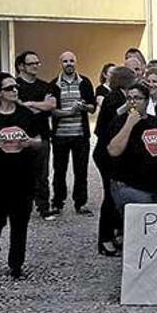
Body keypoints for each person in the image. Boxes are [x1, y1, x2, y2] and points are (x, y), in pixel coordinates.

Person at [0, 72, 42, 280]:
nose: (15, 91)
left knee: (20, 223)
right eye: (9, 88)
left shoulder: (26, 115)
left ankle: (16, 265)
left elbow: (40, 141)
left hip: (23, 176)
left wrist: (30, 142)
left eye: (16, 88)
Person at [107, 83, 157, 214]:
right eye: (129, 98)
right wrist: (129, 124)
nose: (132, 102)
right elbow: (113, 150)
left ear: (146, 101)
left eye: (137, 98)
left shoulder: (156, 122)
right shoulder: (119, 122)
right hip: (132, 186)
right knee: (138, 228)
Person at [91, 66, 136, 256]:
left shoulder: (118, 96)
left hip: (110, 152)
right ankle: (105, 239)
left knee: (116, 194)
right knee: (110, 196)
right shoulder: (114, 97)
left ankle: (115, 234)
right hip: (106, 153)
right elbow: (109, 122)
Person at [50, 51, 96, 217]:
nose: (69, 64)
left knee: (81, 170)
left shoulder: (85, 82)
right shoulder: (54, 84)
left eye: (71, 61)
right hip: (60, 135)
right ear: (60, 63)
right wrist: (70, 112)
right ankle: (57, 203)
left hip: (80, 135)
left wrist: (84, 107)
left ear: (76, 62)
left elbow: (92, 107)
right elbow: (52, 111)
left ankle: (81, 203)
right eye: (65, 61)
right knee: (59, 171)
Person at [14, 51, 58, 221]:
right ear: (21, 66)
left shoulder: (45, 86)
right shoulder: (14, 86)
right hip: (19, 137)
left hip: (42, 135)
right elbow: (15, 106)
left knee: (42, 173)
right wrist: (40, 106)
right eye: (31, 63)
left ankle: (44, 207)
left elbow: (52, 105)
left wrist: (31, 104)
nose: (35, 66)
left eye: (37, 63)